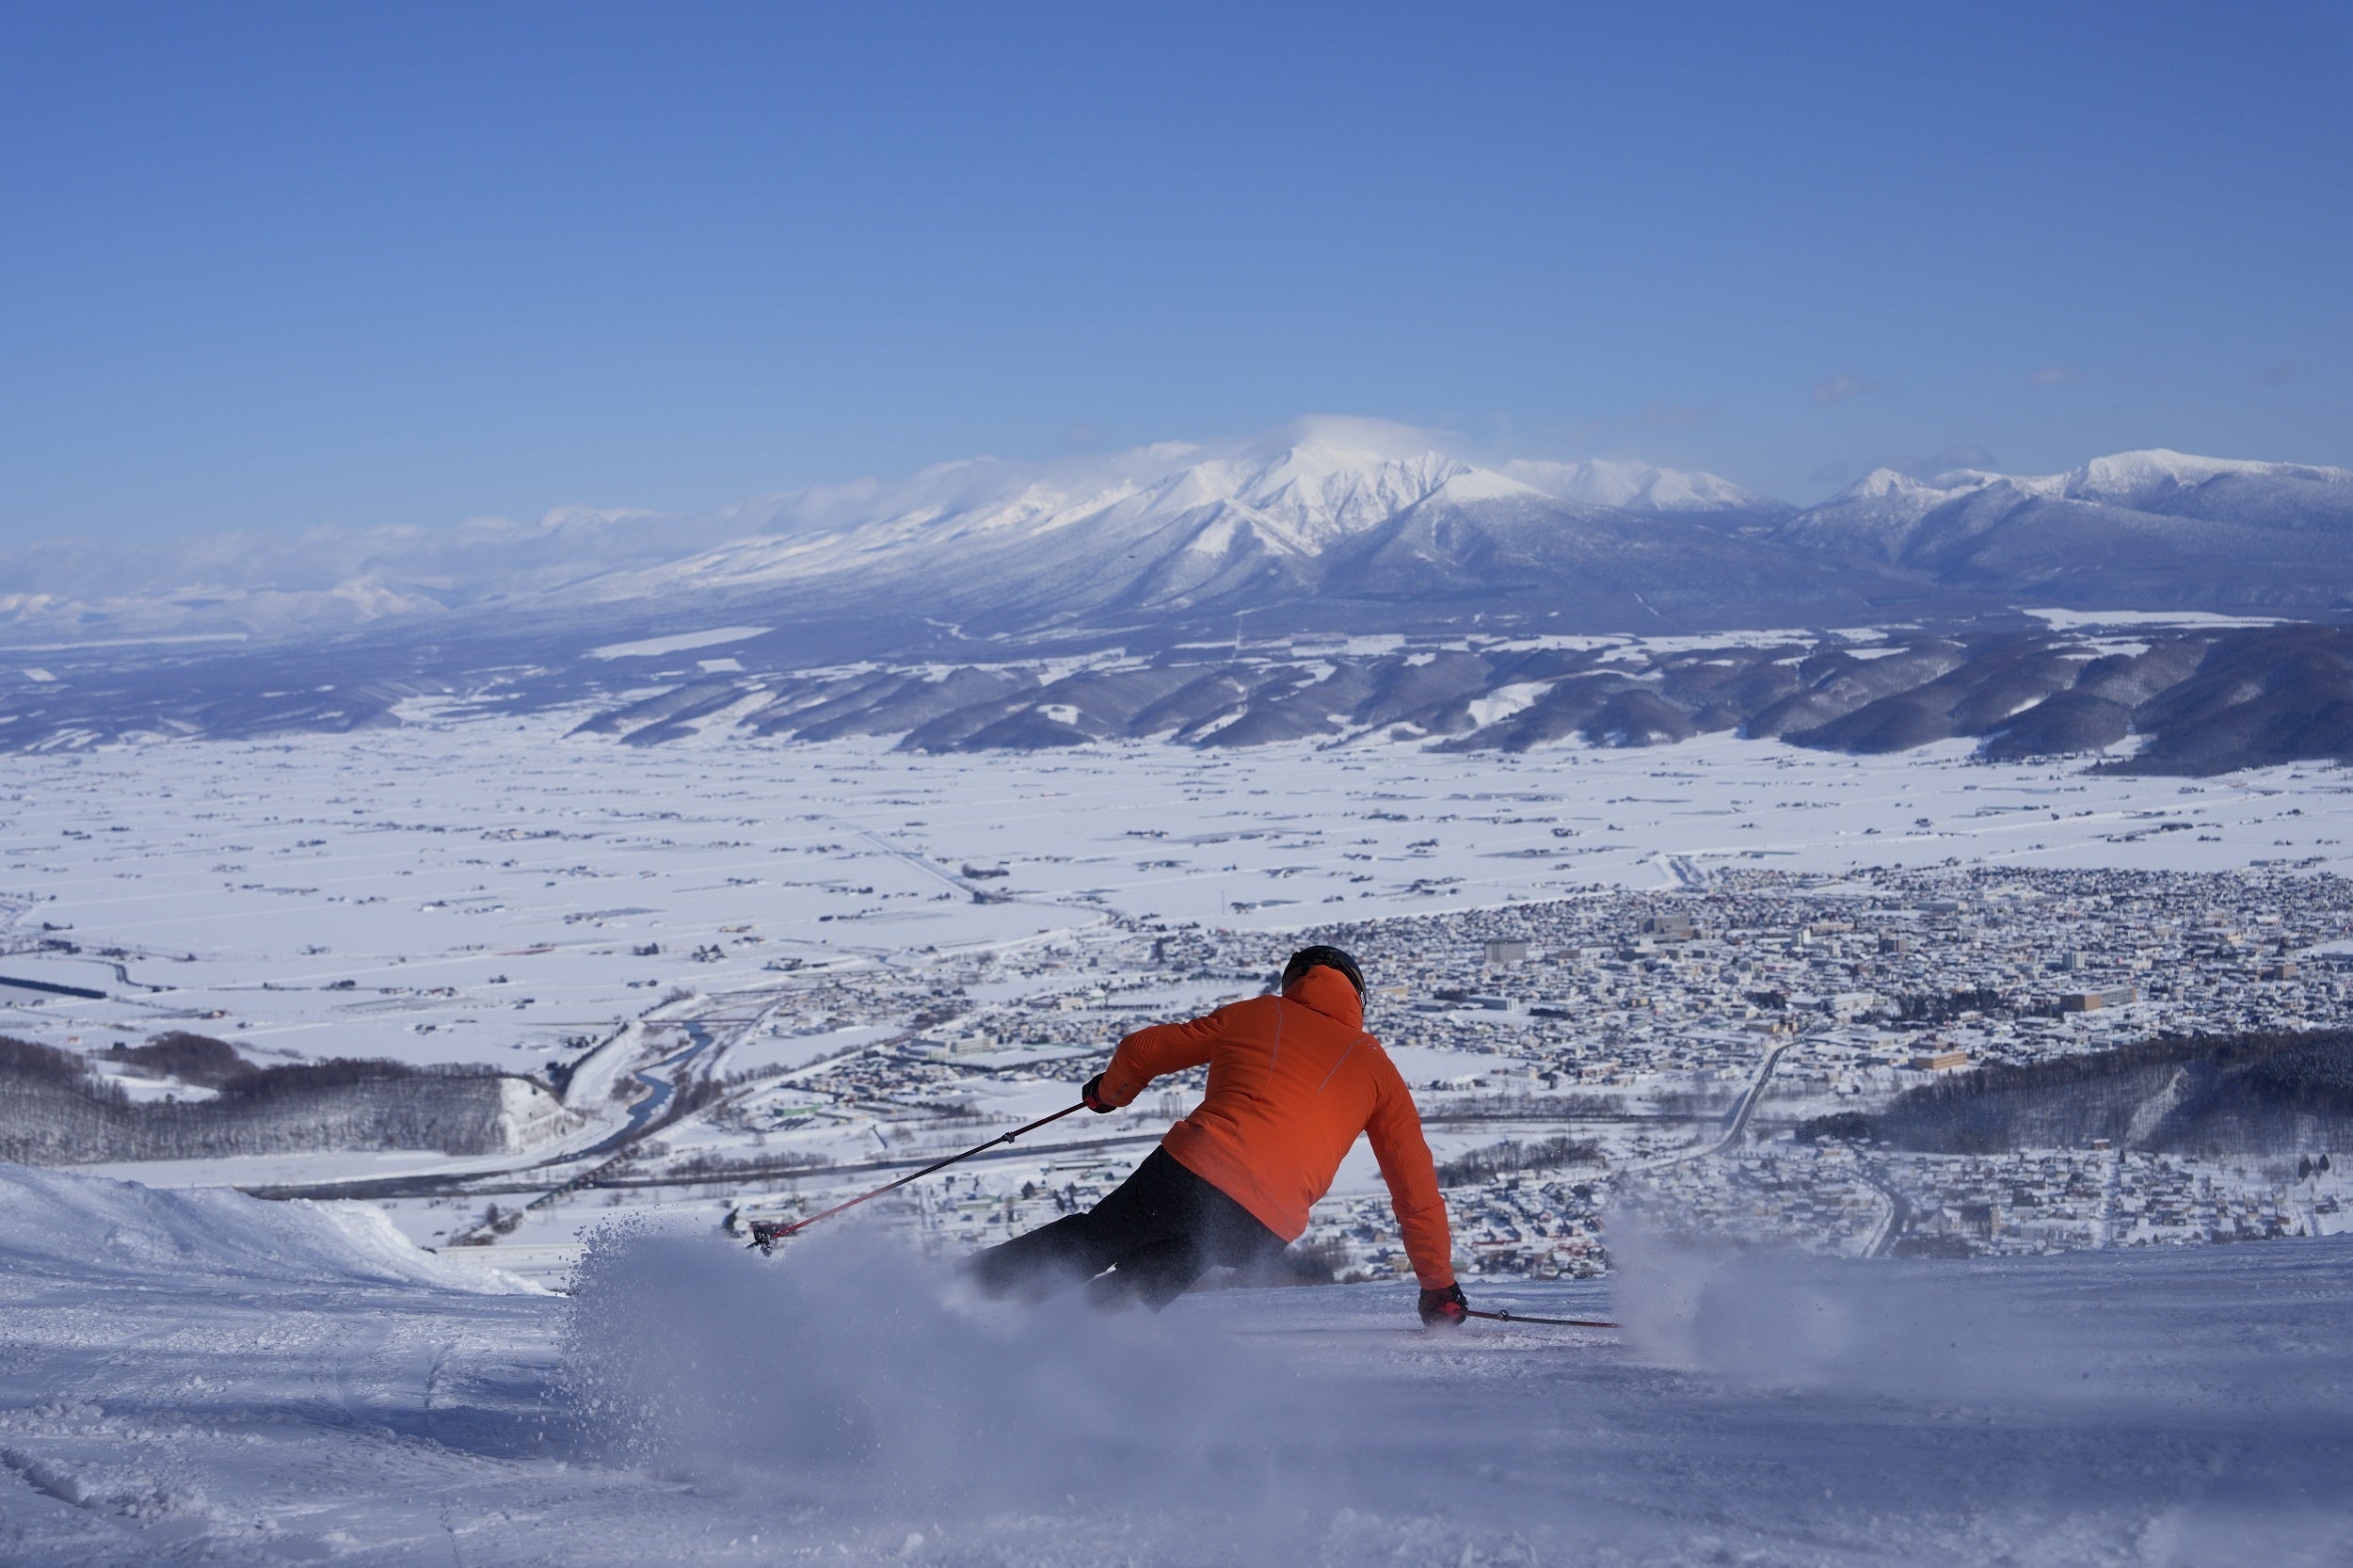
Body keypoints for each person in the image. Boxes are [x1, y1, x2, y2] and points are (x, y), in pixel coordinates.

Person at [968, 944, 1468, 1328]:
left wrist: (1111, 1094)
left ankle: (964, 1295)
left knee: (1096, 1239)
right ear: (1357, 999)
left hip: (1192, 1172)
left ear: (1295, 981)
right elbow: (1416, 1194)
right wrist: (1438, 1287)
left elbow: (1142, 1049)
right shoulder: (1380, 1072)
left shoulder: (1260, 1013)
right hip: (1264, 1226)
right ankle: (1085, 1338)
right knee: (1185, 1255)